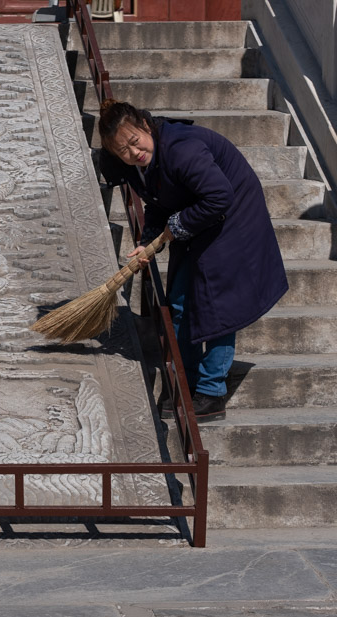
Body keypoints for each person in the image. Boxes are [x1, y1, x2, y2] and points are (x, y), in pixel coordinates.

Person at [97, 99, 287, 422]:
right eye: (123, 151)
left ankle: (212, 392)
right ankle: (186, 384)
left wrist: (174, 227)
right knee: (180, 299)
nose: (133, 152)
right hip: (198, 214)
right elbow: (159, 203)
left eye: (135, 141)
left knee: (218, 302)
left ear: (145, 126)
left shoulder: (181, 150)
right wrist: (148, 242)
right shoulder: (138, 168)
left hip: (233, 212)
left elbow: (219, 196)